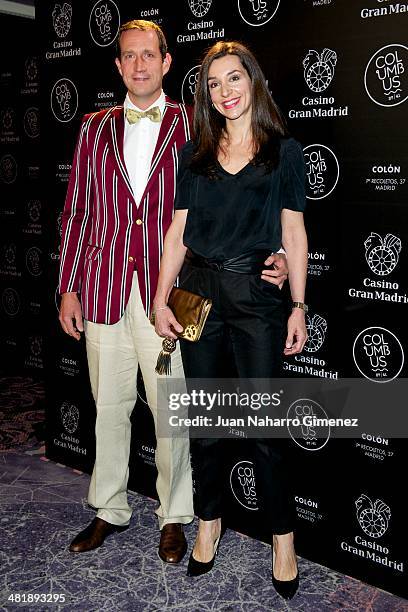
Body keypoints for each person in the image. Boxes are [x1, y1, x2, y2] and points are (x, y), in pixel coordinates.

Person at [153, 41, 307, 599]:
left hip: (257, 300)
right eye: (213, 83)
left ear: (253, 80)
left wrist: (297, 303)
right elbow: (176, 231)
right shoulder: (194, 153)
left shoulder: (284, 152)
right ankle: (210, 521)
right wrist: (160, 296)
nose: (225, 91)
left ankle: (282, 537)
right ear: (206, 93)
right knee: (207, 424)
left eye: (233, 78)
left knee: (267, 429)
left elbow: (293, 233)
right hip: (198, 295)